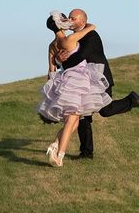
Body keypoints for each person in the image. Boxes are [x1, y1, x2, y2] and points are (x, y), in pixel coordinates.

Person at [53, 8, 139, 160]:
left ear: (83, 21)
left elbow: (80, 58)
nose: (70, 21)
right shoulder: (74, 37)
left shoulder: (91, 36)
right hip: (83, 82)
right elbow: (66, 60)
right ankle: (86, 154)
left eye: (73, 18)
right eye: (69, 18)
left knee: (106, 110)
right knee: (82, 116)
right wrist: (58, 60)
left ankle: (133, 100)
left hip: (100, 79)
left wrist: (62, 60)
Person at [37, 12, 113, 167]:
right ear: (60, 24)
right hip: (77, 81)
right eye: (66, 19)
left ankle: (56, 145)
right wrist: (88, 25)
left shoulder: (52, 46)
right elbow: (89, 29)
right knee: (72, 119)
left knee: (75, 123)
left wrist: (52, 90)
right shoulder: (70, 39)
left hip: (64, 81)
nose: (69, 21)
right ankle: (59, 156)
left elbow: (52, 69)